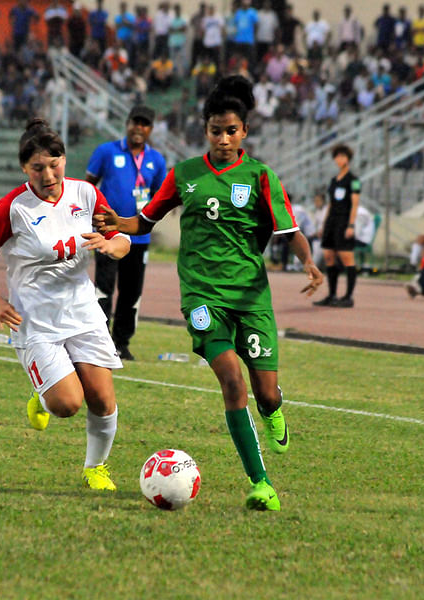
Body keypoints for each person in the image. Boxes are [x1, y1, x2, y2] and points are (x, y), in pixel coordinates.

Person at [93, 76, 323, 512]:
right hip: (202, 297)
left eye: (231, 131)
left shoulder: (260, 177)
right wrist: (113, 222)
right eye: (215, 131)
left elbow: (289, 230)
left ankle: (273, 410)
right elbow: (145, 221)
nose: (223, 138)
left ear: (244, 133)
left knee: (266, 392)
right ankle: (261, 484)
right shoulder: (184, 174)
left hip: (251, 300)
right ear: (206, 131)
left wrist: (308, 262)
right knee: (232, 381)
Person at [0, 118, 131, 491]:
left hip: (83, 310)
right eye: (38, 167)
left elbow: (121, 240)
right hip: (36, 319)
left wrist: (110, 245)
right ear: (25, 169)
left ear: (64, 161)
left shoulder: (85, 195)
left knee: (102, 399)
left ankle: (95, 468)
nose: (48, 174)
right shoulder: (13, 208)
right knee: (67, 404)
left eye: (54, 164)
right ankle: (43, 396)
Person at [85, 105, 167, 361]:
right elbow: (88, 186)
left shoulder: (157, 160)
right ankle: (99, 339)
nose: (139, 128)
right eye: (135, 122)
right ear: (127, 123)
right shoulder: (106, 151)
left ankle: (121, 342)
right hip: (108, 233)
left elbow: (160, 195)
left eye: (144, 124)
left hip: (139, 237)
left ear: (150, 129)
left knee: (132, 292)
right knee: (104, 288)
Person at [314, 144, 360, 308]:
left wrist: (351, 225)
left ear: (348, 159)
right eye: (337, 157)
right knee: (328, 256)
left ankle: (348, 296)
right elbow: (331, 204)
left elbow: (355, 204)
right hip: (332, 221)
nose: (339, 160)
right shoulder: (334, 180)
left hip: (344, 221)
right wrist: (324, 225)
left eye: (342, 156)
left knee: (347, 257)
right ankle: (332, 294)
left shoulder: (353, 180)